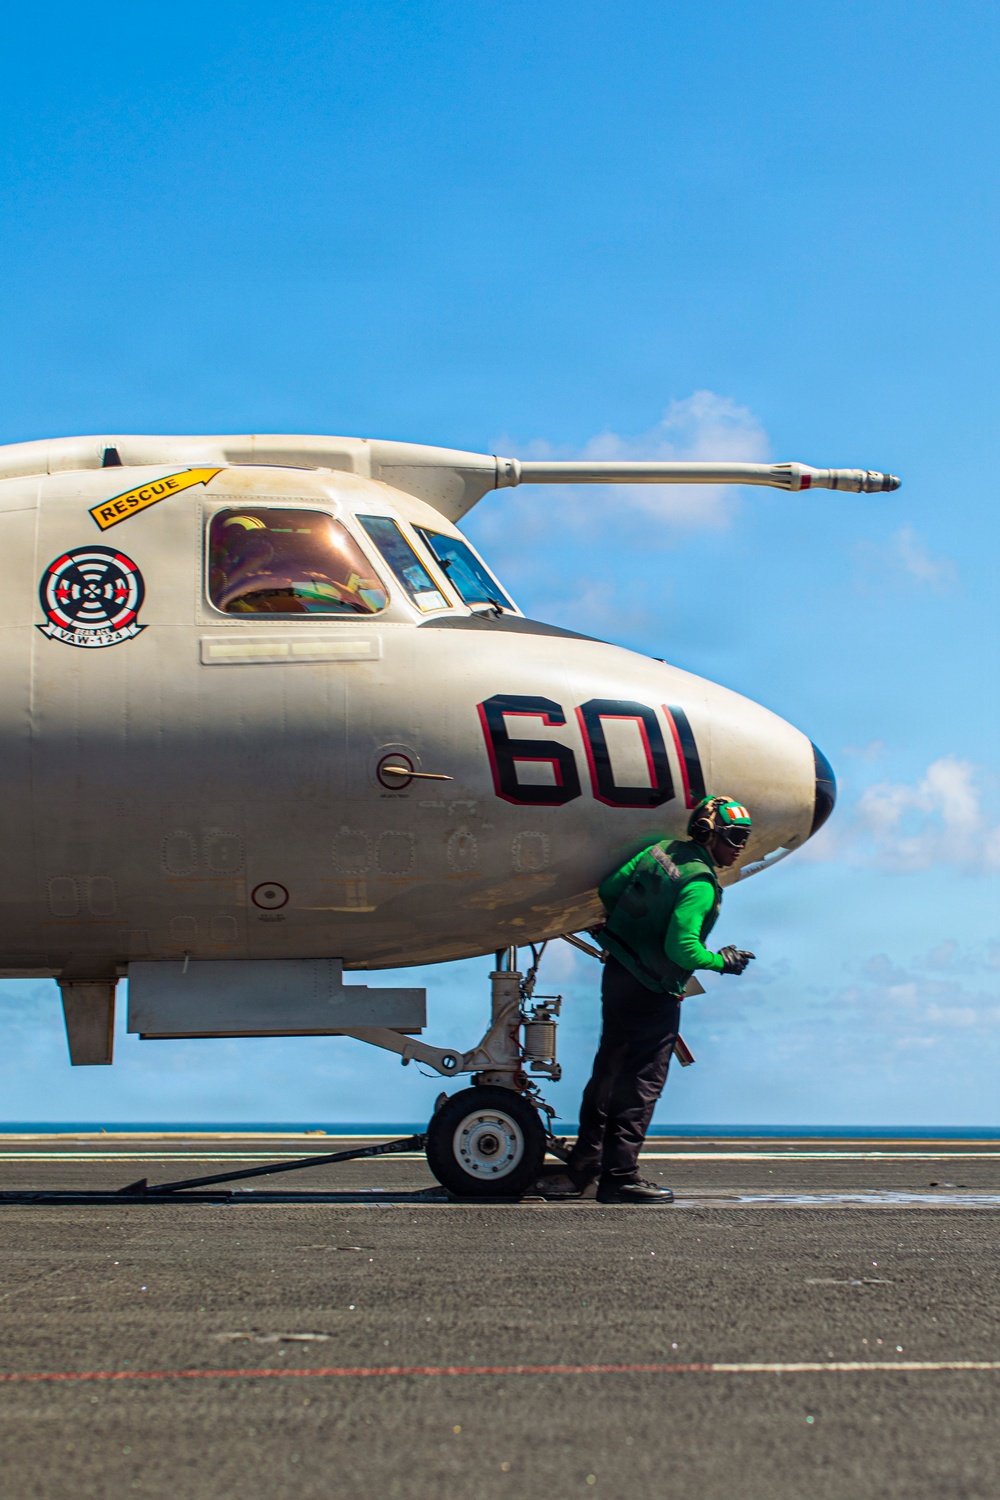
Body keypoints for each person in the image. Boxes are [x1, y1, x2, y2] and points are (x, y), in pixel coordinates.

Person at [542, 795, 756, 1205]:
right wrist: (721, 962)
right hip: (653, 990)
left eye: (745, 836)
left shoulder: (661, 852)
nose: (741, 845)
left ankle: (586, 1163)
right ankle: (620, 1178)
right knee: (642, 1083)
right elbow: (682, 948)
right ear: (708, 834)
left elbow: (611, 890)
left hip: (619, 973)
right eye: (734, 836)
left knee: (608, 1071)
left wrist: (634, 933)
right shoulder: (700, 884)